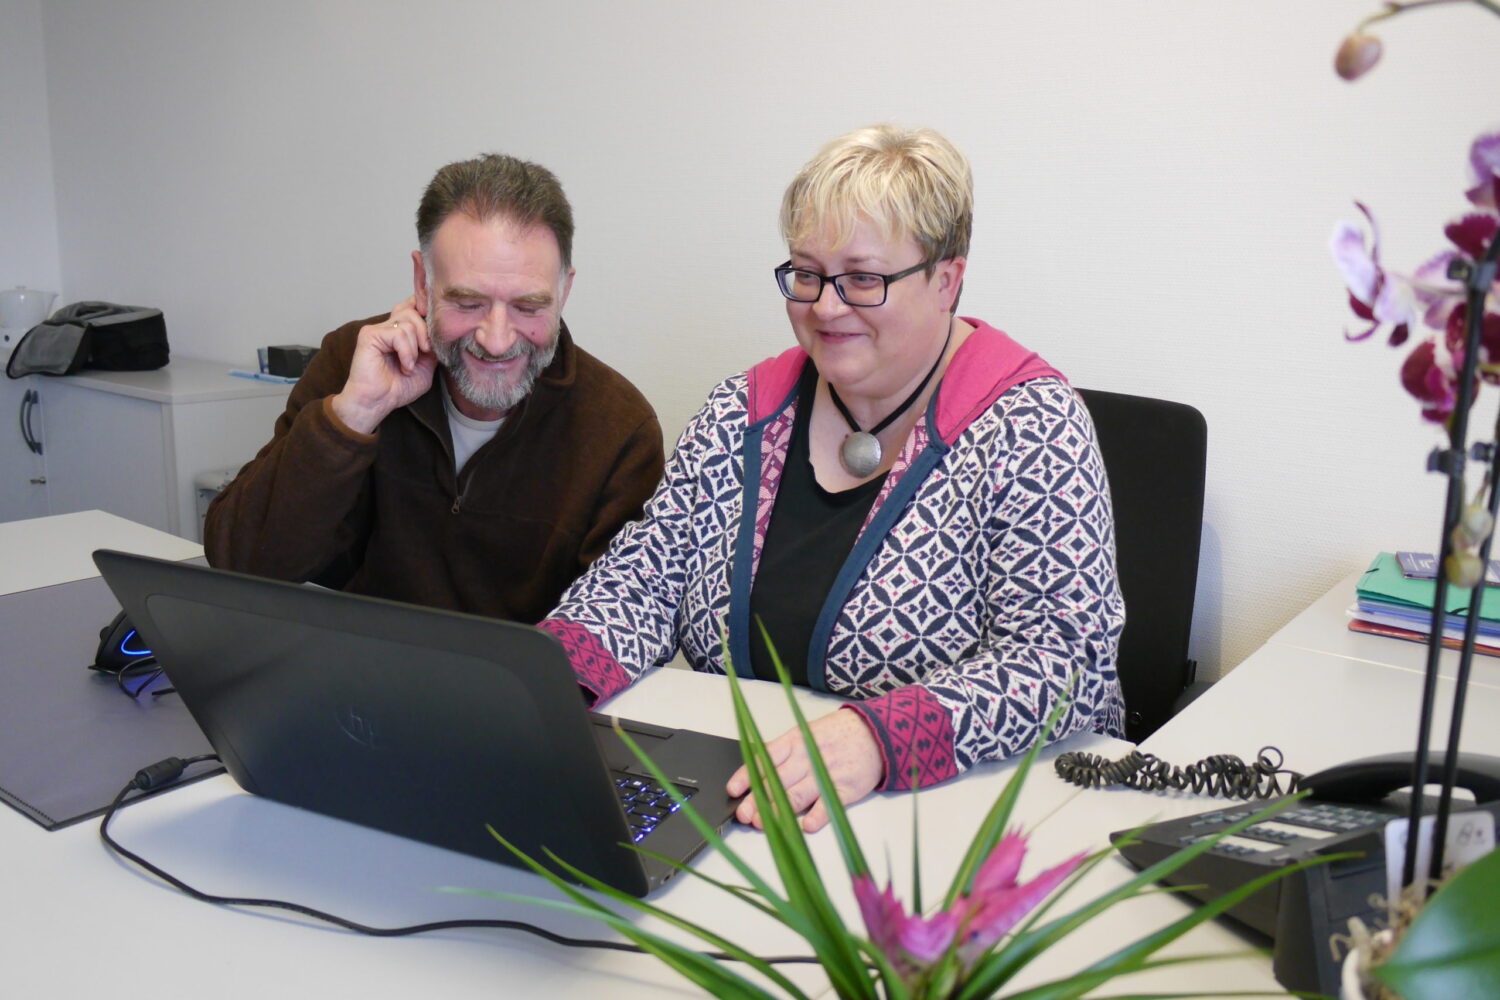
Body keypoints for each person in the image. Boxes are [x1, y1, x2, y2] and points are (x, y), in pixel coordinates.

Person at [538, 125, 1125, 832]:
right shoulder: (742, 411)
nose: (824, 306)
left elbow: (1066, 667)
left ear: (947, 278)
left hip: (959, 825)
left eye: (863, 278)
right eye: (807, 273)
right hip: (754, 810)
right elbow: (643, 580)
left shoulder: (1032, 426)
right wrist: (543, 688)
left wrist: (879, 740)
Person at [205, 154, 664, 623]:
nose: (497, 338)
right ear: (423, 283)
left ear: (563, 292)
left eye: (528, 306)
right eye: (468, 302)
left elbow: (617, 631)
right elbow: (241, 564)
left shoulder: (619, 428)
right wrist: (354, 416)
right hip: (351, 672)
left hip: (516, 692)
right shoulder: (353, 362)